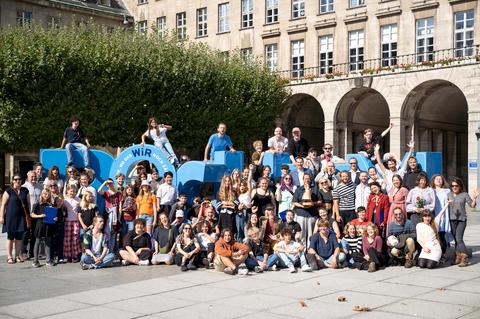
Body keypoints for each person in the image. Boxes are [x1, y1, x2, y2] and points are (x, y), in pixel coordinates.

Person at [448, 177, 479, 267]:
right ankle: (458, 257)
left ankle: (465, 257)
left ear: (460, 186)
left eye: (456, 186)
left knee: (459, 238)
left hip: (461, 220)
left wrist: (474, 198)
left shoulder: (464, 194)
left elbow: (472, 206)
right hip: (452, 220)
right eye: (452, 186)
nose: (454, 187)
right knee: (456, 240)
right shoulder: (449, 194)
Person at [0, 175, 31, 264]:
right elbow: (3, 205)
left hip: (22, 218)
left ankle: (17, 256)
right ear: (13, 181)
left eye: (19, 179)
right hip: (11, 218)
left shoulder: (25, 190)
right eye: (15, 179)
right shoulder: (8, 190)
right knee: (10, 237)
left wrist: (29, 215)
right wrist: (1, 217)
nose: (17, 181)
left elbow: (28, 204)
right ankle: (9, 257)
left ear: (21, 180)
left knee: (19, 238)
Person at [416, 205, 449, 269]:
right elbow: (419, 239)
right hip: (426, 247)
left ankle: (438, 260)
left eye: (429, 216)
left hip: (435, 247)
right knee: (421, 265)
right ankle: (432, 260)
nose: (427, 218)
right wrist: (424, 248)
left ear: (431, 217)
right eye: (425, 216)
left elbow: (441, 213)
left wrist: (447, 204)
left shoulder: (435, 223)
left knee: (430, 266)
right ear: (422, 217)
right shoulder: (419, 225)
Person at [292, 174, 321, 243]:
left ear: (310, 180)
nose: (307, 180)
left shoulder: (315, 189)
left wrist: (312, 203)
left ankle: (310, 249)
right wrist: (302, 206)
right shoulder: (298, 189)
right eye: (305, 178)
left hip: (312, 215)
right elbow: (294, 202)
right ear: (303, 179)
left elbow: (320, 201)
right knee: (301, 234)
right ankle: (302, 250)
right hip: (301, 215)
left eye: (308, 178)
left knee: (311, 234)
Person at [31, 189, 56, 267]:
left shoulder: (50, 204)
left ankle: (48, 260)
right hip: (40, 224)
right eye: (45, 194)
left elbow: (54, 215)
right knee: (37, 242)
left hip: (48, 225)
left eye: (48, 194)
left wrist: (55, 218)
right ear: (42, 194)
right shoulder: (37, 204)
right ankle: (35, 261)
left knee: (48, 242)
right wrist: (40, 216)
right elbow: (32, 214)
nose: (47, 196)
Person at [98, 178, 123, 252]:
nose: (110, 185)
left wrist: (119, 218)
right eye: (108, 184)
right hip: (107, 215)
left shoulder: (118, 193)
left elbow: (120, 207)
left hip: (115, 216)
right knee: (106, 233)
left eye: (111, 183)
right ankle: (105, 251)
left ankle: (111, 251)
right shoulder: (106, 192)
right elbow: (99, 191)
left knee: (113, 234)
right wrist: (105, 182)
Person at [22, 170, 42, 260]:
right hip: (27, 214)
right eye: (32, 176)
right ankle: (23, 252)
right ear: (28, 177)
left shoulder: (40, 186)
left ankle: (32, 252)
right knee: (26, 233)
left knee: (34, 233)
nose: (34, 178)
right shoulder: (24, 187)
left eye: (35, 176)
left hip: (37, 214)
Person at [430, 174, 452, 255]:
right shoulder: (431, 190)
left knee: (442, 235)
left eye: (440, 179)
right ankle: (435, 253)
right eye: (437, 179)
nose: (439, 180)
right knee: (435, 235)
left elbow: (451, 201)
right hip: (434, 214)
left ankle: (442, 254)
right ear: (433, 181)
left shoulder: (447, 191)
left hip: (444, 215)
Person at [63, 185, 82, 263]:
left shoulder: (79, 200)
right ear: (67, 191)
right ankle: (68, 255)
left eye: (74, 191)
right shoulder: (65, 200)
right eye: (71, 191)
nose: (72, 193)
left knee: (75, 238)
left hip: (76, 221)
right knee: (67, 239)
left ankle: (75, 255)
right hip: (67, 221)